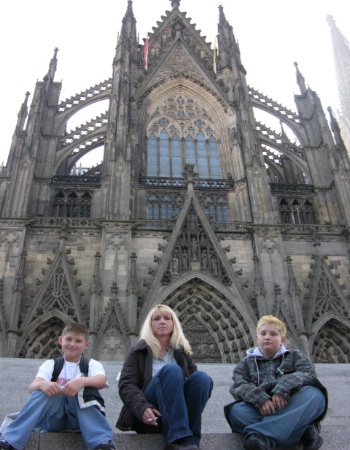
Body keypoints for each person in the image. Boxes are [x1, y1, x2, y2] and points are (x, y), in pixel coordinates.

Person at [0, 323, 116, 450]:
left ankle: (101, 441)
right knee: (41, 390)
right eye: (68, 339)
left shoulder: (92, 364)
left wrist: (81, 382)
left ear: (86, 345)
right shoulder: (51, 364)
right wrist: (43, 384)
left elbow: (101, 380)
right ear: (60, 340)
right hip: (53, 419)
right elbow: (32, 386)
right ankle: (11, 439)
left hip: (81, 420)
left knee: (84, 388)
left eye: (78, 341)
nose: (72, 344)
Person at [116, 304, 213, 450]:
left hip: (177, 414)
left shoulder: (182, 353)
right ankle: (176, 440)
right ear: (150, 325)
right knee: (172, 370)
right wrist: (142, 408)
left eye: (167, 318)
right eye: (157, 319)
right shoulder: (138, 351)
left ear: (174, 324)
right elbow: (126, 385)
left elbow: (195, 387)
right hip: (151, 417)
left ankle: (191, 442)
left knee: (202, 379)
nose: (162, 321)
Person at [224, 315, 327, 450]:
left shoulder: (295, 355)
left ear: (282, 339)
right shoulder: (246, 362)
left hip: (292, 403)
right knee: (236, 412)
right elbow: (238, 385)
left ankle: (261, 436)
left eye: (273, 334)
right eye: (263, 333)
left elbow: (308, 373)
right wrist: (260, 399)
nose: (267, 337)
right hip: (262, 409)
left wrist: (283, 388)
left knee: (314, 394)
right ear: (257, 338)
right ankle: (300, 430)